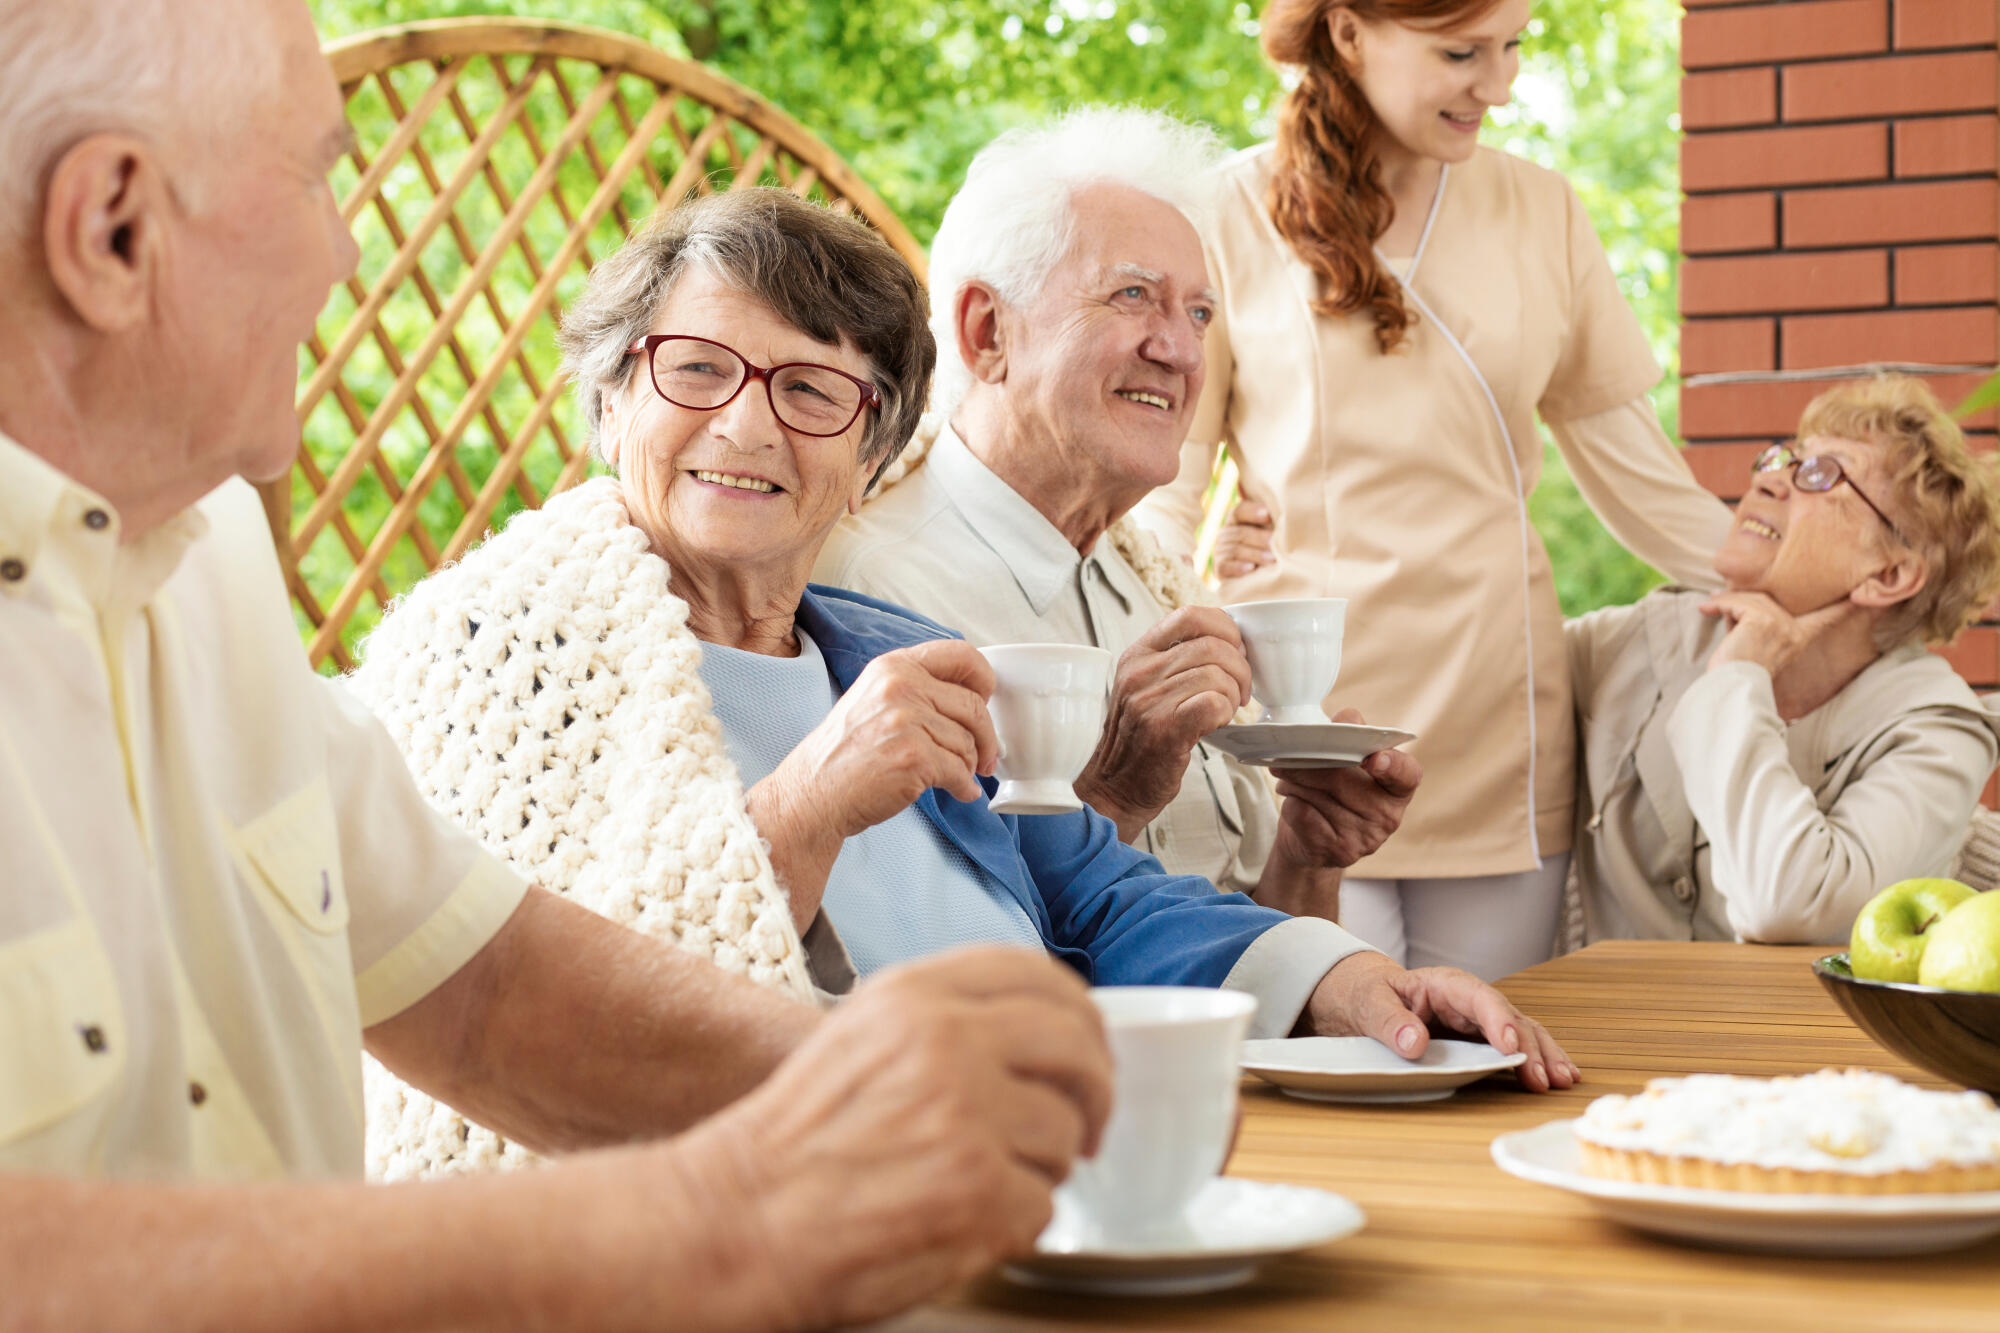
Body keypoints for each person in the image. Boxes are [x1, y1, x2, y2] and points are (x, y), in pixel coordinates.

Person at [0, 3, 1126, 1327]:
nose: (344, 249)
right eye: (312, 175)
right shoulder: (491, 643)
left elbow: (484, 994)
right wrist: (721, 1221)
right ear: (112, 228)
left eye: (815, 391)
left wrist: (889, 1091)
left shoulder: (205, 568)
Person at [351, 183, 1578, 1174]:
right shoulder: (496, 657)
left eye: (811, 389)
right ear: (615, 401)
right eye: (696, 370)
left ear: (875, 448)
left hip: (1047, 1160)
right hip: (794, 1206)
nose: (746, 424)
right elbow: (550, 1027)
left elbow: (1096, 895)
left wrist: (1355, 982)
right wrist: (806, 803)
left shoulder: (880, 648)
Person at [1132, 0, 1735, 980]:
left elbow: (1638, 477)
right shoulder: (1220, 213)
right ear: (1348, 32)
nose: (1495, 86)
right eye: (1460, 53)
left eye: (1510, 50)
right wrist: (1170, 615)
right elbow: (1160, 486)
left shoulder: (1542, 212)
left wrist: (1815, 590)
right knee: (1323, 1053)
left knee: (1481, 1060)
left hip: (1494, 724)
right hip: (1295, 723)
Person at [815, 106, 1419, 925]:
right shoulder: (869, 593)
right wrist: (1116, 792)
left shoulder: (1155, 590)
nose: (1179, 350)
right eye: (1134, 295)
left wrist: (1307, 858)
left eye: (1199, 313)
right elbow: (922, 953)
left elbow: (1241, 937)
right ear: (987, 331)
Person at [1570, 376, 2000, 943]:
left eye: (1821, 474)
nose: (1769, 480)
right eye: (1781, 459)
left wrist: (1736, 680)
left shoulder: (1938, 732)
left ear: (1888, 574)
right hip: (1582, 1027)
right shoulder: (1638, 640)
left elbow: (1789, 905)